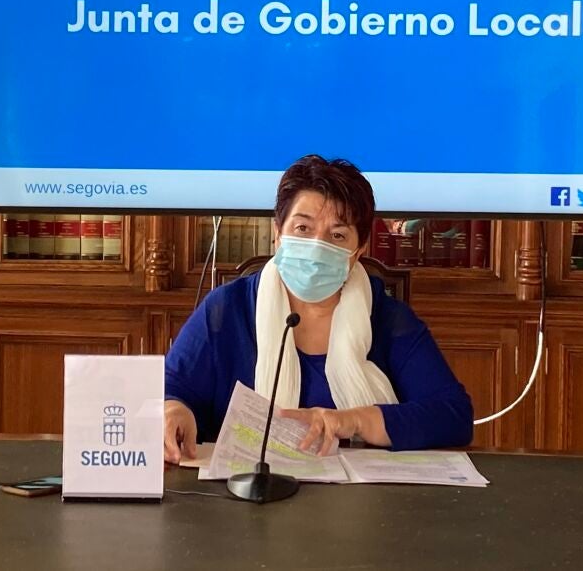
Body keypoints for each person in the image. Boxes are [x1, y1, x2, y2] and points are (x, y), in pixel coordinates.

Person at [164, 155, 473, 463]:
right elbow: (170, 391)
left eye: (337, 235)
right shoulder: (227, 310)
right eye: (302, 228)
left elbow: (453, 416)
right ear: (277, 233)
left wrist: (354, 420)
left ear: (359, 250)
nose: (316, 246)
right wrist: (175, 410)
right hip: (246, 489)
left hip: (364, 491)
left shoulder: (389, 319)